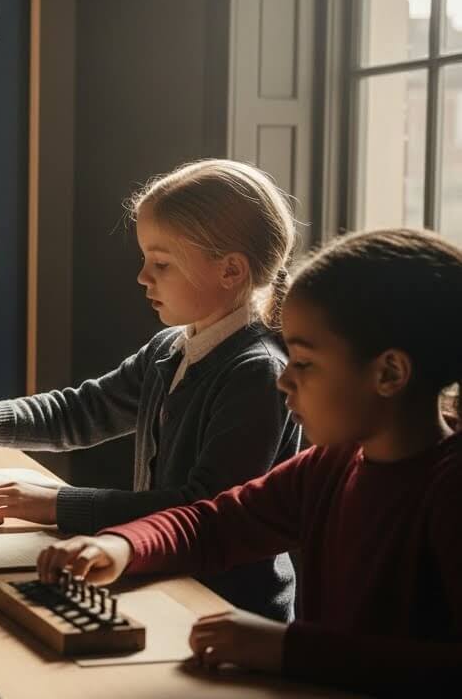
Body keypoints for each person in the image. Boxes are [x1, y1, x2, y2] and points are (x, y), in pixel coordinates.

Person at [37, 228, 462, 696]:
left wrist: (287, 649)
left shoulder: (448, 491)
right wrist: (121, 547)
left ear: (388, 373)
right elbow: (215, 523)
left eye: (303, 362)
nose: (283, 381)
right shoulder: (330, 466)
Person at [0, 160, 301, 621]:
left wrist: (56, 504)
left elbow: (200, 509)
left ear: (230, 270)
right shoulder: (170, 348)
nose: (142, 277)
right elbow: (84, 409)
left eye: (161, 263)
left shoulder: (256, 372)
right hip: (168, 581)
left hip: (230, 609)